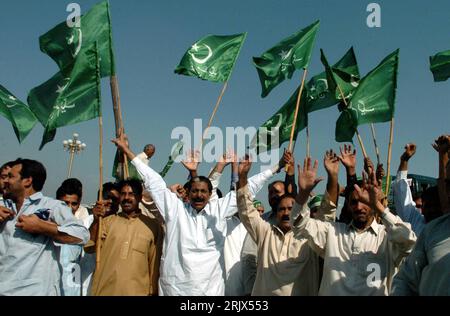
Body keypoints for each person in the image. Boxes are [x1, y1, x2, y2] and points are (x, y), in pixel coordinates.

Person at [112, 135, 284, 296]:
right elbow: (153, 180)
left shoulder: (219, 210)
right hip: (174, 288)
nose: (199, 195)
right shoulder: (175, 209)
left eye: (203, 191)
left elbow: (249, 188)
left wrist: (276, 167)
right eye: (194, 191)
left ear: (210, 194)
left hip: (210, 290)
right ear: (188, 192)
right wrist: (127, 151)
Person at [291, 156, 417, 296]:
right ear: (348, 206)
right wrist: (303, 194)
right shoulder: (333, 232)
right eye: (354, 202)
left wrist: (378, 206)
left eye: (365, 201)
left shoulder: (386, 236)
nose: (359, 207)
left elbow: (410, 242)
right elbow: (298, 225)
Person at [0, 159, 89, 296]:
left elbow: (81, 235)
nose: (5, 181)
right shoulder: (4, 206)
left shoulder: (51, 207)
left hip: (34, 291)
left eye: (11, 177)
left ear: (27, 181)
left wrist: (42, 227)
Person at [88, 179, 163, 296]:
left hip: (137, 292)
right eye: (123, 194)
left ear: (139, 197)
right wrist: (96, 221)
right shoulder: (107, 222)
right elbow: (90, 247)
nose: (126, 198)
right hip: (105, 290)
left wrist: (153, 292)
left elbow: (155, 263)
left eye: (131, 194)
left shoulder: (152, 226)